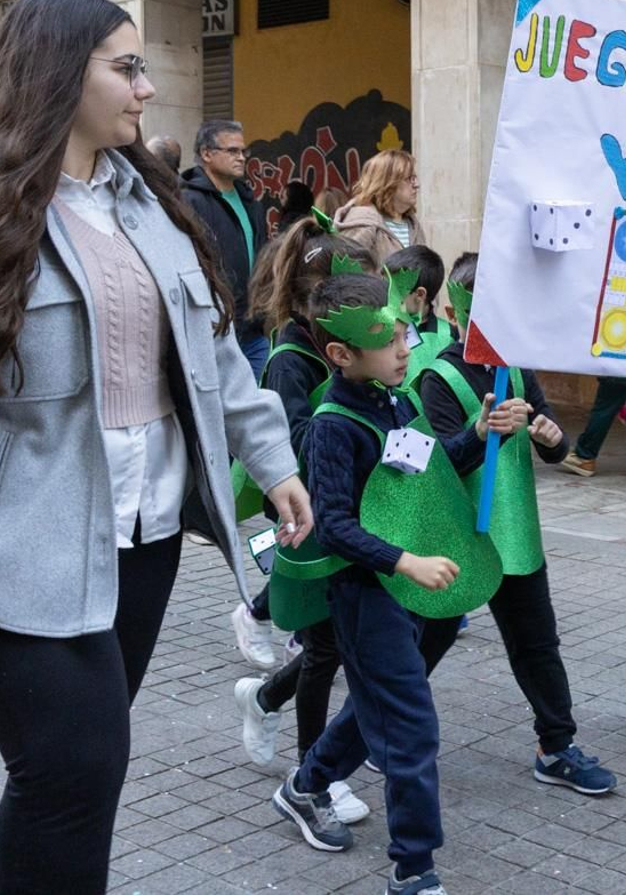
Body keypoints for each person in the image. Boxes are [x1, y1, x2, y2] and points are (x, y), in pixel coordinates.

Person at [0, 0, 313, 893]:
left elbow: (212, 353)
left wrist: (273, 458)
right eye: (127, 67)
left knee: (70, 774)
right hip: (19, 547)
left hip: (142, 541)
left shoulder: (147, 203)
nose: (145, 89)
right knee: (72, 770)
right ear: (59, 73)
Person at [271, 272, 522, 895]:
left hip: (407, 591)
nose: (405, 348)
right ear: (341, 353)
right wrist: (405, 561)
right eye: (388, 341)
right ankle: (415, 869)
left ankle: (305, 787)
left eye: (405, 334)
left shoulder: (399, 399)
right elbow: (331, 527)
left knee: (377, 704)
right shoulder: (334, 425)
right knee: (411, 727)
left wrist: (478, 436)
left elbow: (428, 472)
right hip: (366, 595)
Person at [417, 251, 618, 795]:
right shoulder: (438, 376)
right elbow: (437, 466)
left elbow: (552, 436)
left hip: (516, 533)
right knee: (425, 644)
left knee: (537, 642)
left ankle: (555, 746)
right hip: (457, 536)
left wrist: (552, 438)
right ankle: (377, 729)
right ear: (456, 316)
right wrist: (480, 433)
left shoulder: (517, 365)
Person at [233, 222, 377, 826]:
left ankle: (265, 699)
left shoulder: (344, 352)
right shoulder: (292, 359)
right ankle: (312, 774)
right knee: (327, 650)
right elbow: (290, 445)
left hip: (350, 515)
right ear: (316, 302)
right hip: (308, 524)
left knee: (337, 644)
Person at [182, 119, 270, 379]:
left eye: (244, 151)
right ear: (207, 154)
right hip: (215, 326)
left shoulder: (249, 199)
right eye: (232, 151)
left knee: (255, 404)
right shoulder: (188, 199)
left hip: (254, 325)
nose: (241, 158)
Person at [332, 149, 426, 264]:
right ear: (387, 182)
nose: (416, 185)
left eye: (415, 178)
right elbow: (345, 273)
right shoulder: (363, 221)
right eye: (409, 179)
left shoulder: (414, 225)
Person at [385, 244, 450, 380]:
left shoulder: (449, 336)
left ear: (419, 295)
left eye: (394, 291)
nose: (386, 295)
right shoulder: (381, 330)